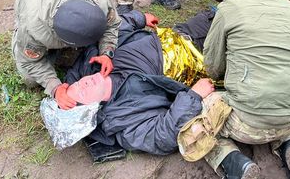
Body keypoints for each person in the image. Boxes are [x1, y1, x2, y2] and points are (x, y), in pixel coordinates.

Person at [200, 0, 290, 179]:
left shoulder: (229, 7)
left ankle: (234, 163)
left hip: (247, 123)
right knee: (285, 109)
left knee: (200, 117)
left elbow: (212, 66)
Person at [64, 10, 215, 156]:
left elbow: (111, 28)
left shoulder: (92, 63)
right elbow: (162, 136)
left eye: (77, 84)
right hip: (202, 59)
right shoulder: (123, 118)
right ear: (91, 110)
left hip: (179, 33)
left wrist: (138, 18)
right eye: (82, 92)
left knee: (225, 11)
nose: (83, 84)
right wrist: (194, 96)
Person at [12, 0, 121, 110]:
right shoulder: (34, 27)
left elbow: (112, 25)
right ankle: (17, 38)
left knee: (80, 54)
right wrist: (55, 87)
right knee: (30, 79)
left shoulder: (101, 3)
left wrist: (106, 52)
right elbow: (30, 62)